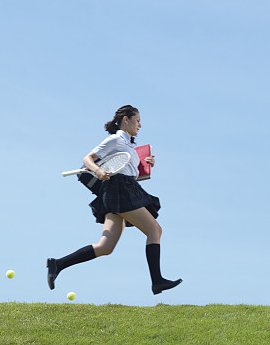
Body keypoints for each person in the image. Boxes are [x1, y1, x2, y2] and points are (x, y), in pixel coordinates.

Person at [47, 105, 182, 295]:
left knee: (105, 247)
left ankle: (57, 264)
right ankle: (157, 281)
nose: (140, 125)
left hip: (122, 190)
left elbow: (131, 172)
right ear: (126, 119)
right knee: (155, 230)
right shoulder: (115, 140)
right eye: (137, 121)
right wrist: (98, 170)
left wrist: (146, 165)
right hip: (120, 190)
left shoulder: (131, 147)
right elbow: (87, 159)